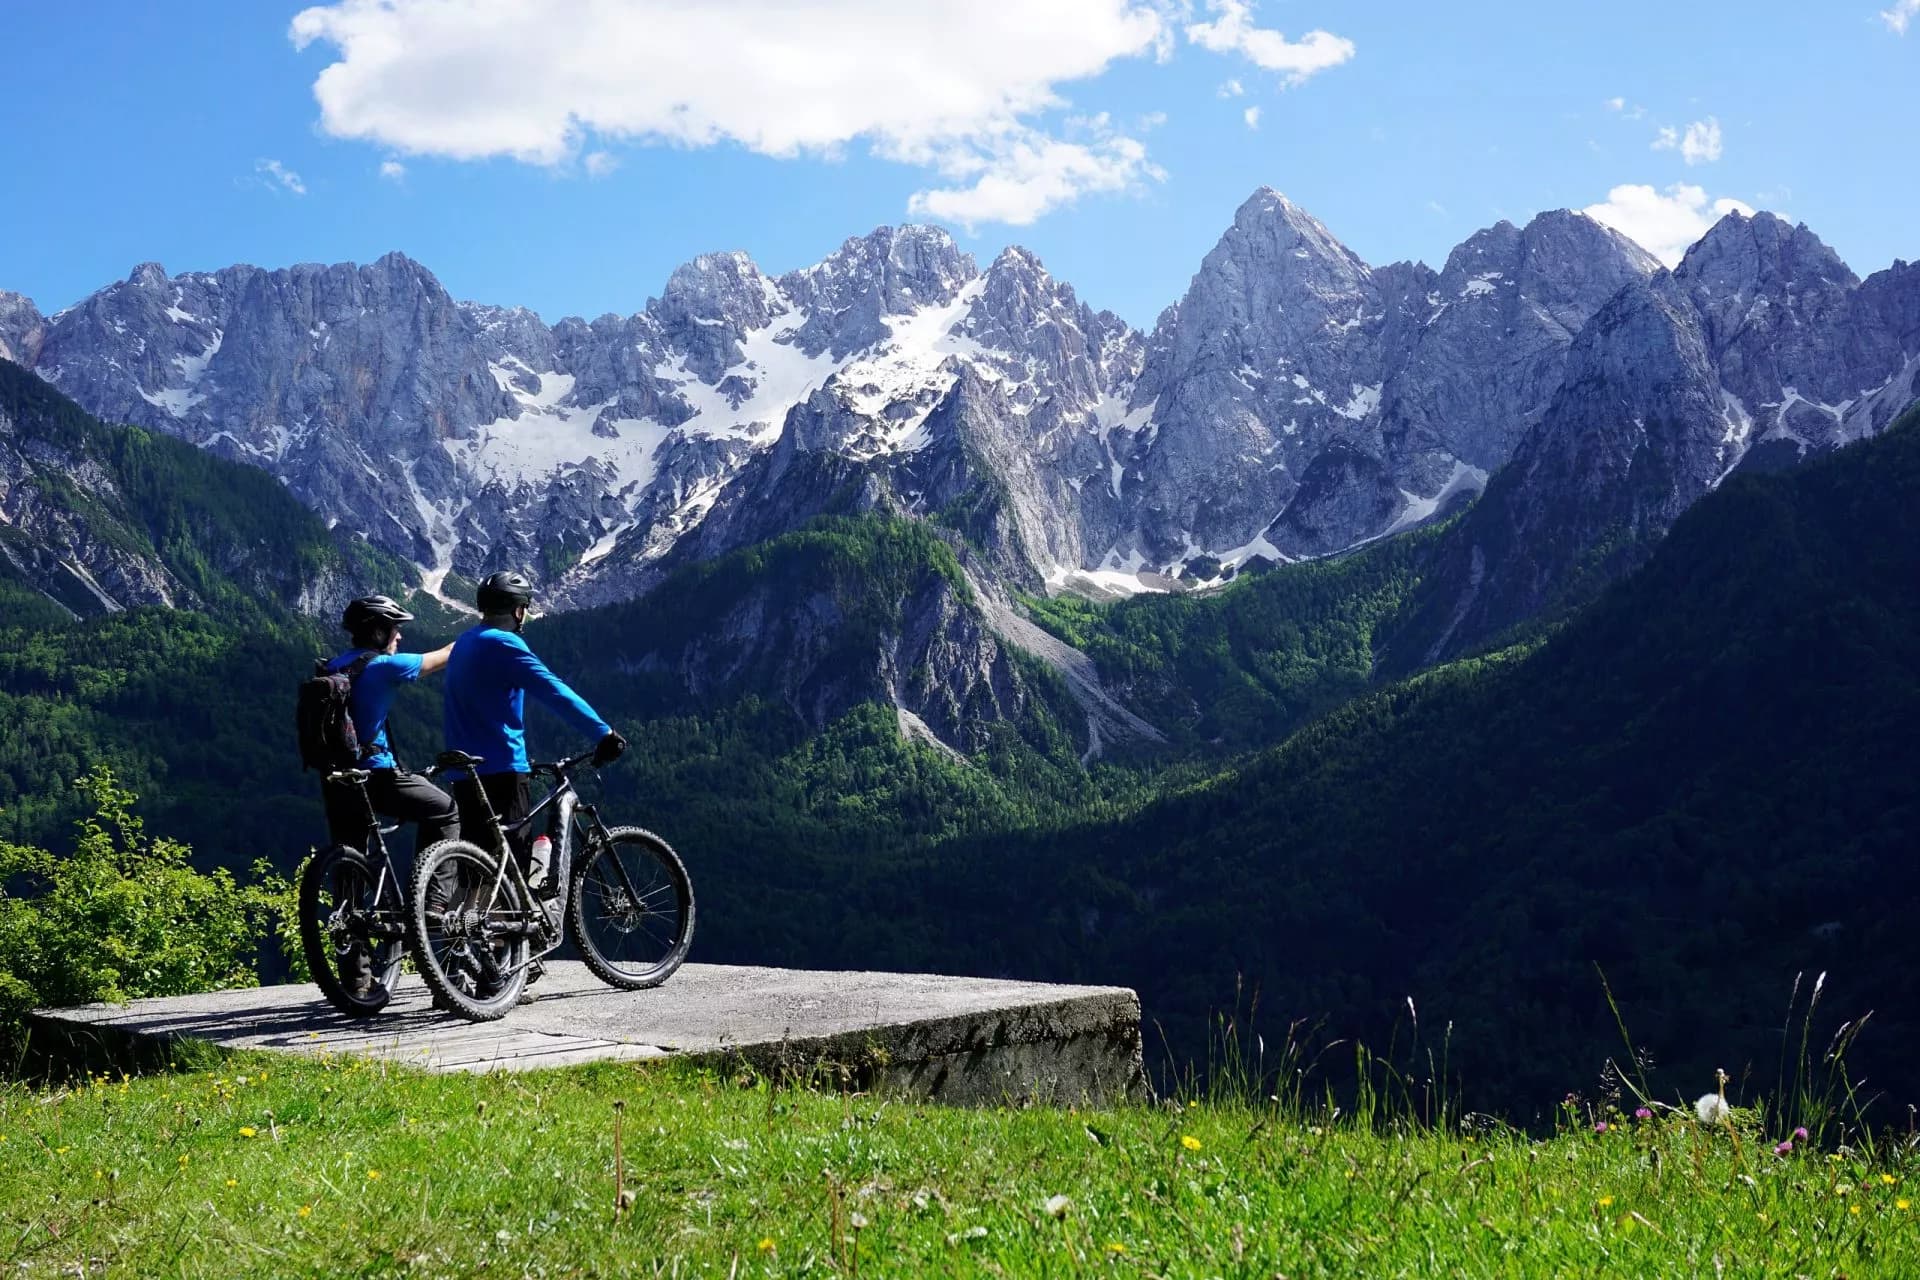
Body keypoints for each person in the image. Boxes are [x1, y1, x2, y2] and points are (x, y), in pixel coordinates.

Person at [443, 571, 625, 877]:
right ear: (517, 610)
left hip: (464, 773)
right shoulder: (506, 645)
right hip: (502, 770)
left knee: (477, 870)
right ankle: (509, 924)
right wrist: (603, 732)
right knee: (512, 874)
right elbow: (554, 691)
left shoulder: (464, 642)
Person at [322, 595, 461, 856]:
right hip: (377, 775)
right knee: (446, 811)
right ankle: (433, 895)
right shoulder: (384, 666)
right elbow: (447, 654)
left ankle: (347, 897)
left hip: (337, 777)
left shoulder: (333, 666)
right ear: (378, 631)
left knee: (351, 855)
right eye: (395, 630)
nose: (399, 637)